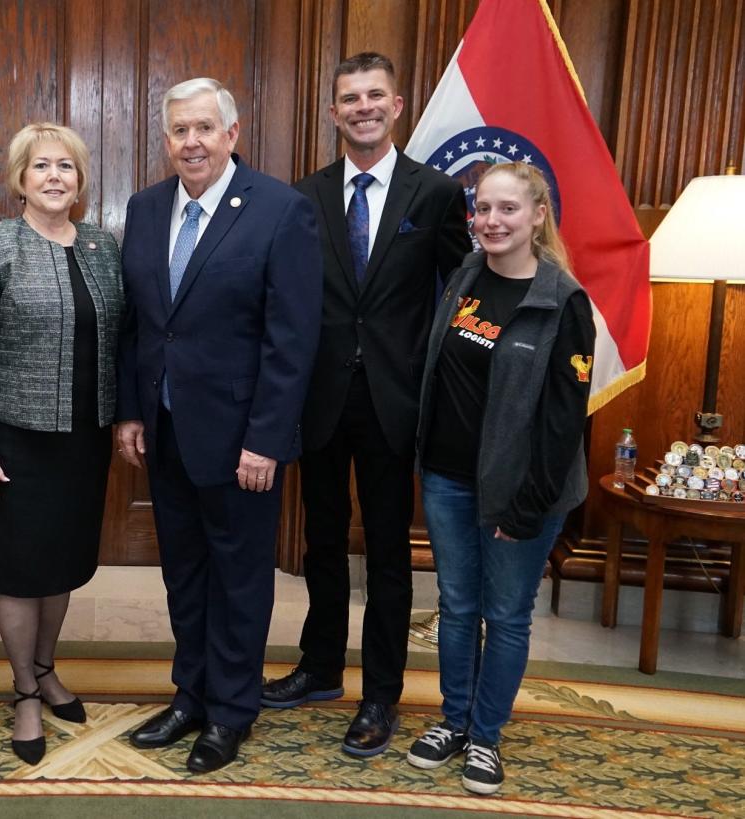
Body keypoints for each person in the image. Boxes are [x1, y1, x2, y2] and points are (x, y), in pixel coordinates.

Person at [265, 52, 471, 757]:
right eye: (348, 98)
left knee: (386, 550)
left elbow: (458, 297)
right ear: (333, 113)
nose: (362, 107)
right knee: (319, 541)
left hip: (395, 400)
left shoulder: (437, 194)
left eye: (373, 95)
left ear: (398, 104)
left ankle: (382, 692)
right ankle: (320, 666)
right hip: (317, 398)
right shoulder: (303, 196)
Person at [117, 77, 321, 774]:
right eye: (179, 130)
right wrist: (131, 412)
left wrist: (266, 438)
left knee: (239, 577)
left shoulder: (279, 210)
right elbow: (138, 325)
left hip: (243, 443)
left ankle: (231, 710)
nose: (192, 141)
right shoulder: (144, 209)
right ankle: (191, 693)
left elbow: (291, 340)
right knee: (184, 572)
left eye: (205, 127)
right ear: (166, 140)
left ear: (233, 134)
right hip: (167, 431)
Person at [406, 161, 594, 794]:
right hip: (448, 479)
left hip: (522, 492)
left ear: (538, 215)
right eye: (482, 209)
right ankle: (453, 721)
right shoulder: (464, 276)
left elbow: (566, 420)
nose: (491, 221)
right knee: (457, 608)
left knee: (507, 616)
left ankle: (486, 737)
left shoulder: (562, 302)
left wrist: (531, 506)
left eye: (507, 209)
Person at [0, 123, 123, 766]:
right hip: (12, 443)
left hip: (83, 439)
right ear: (20, 177)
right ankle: (24, 689)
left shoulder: (103, 246)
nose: (55, 177)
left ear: (80, 181)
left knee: (62, 563)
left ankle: (47, 667)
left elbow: (120, 340)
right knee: (20, 571)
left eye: (67, 168)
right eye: (41, 166)